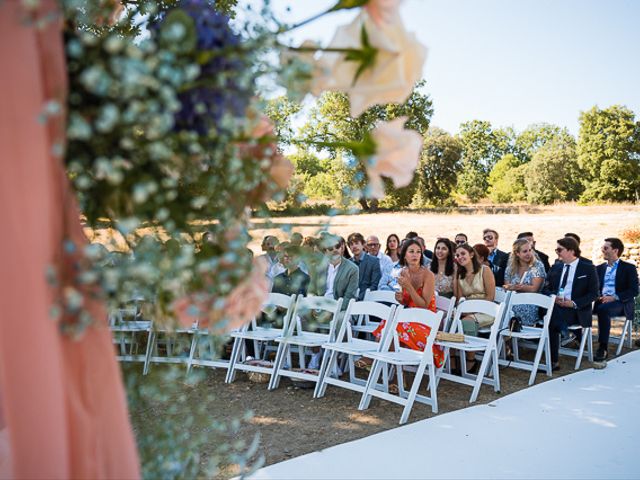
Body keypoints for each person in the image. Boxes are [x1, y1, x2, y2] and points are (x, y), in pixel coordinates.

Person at [371, 239, 444, 368]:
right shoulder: (404, 272)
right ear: (404, 255)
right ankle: (394, 372)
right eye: (411, 252)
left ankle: (377, 362)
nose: (415, 255)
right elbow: (406, 301)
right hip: (409, 318)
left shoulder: (428, 275)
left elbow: (424, 305)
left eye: (418, 252)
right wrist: (400, 298)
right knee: (387, 322)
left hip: (425, 321)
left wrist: (409, 287)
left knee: (396, 327)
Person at [543, 237, 599, 371]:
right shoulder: (556, 267)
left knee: (550, 320)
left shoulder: (588, 268)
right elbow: (546, 288)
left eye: (559, 249)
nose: (557, 252)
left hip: (576, 310)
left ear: (571, 251)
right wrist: (553, 297)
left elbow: (594, 294)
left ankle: (553, 360)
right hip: (556, 306)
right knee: (550, 316)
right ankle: (565, 332)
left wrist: (573, 303)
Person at [593, 238, 639, 361]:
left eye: (605, 248)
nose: (602, 250)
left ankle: (603, 347)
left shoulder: (629, 268)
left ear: (615, 250)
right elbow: (594, 287)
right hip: (600, 300)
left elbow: (634, 290)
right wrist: (597, 295)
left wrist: (614, 297)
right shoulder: (598, 268)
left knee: (603, 309)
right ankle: (576, 339)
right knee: (580, 305)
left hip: (620, 302)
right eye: (603, 247)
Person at [503, 238, 547, 326]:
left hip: (531, 302)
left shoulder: (537, 265)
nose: (528, 254)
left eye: (530, 250)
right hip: (513, 301)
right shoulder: (511, 267)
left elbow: (535, 288)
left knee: (514, 309)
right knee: (503, 308)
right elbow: (506, 286)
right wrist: (511, 287)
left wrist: (518, 287)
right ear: (517, 253)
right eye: (525, 251)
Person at [308, 235, 358, 310]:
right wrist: (314, 308)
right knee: (299, 316)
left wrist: (333, 310)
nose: (335, 250)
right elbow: (311, 291)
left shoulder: (352, 269)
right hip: (320, 307)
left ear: (341, 248)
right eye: (331, 248)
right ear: (325, 252)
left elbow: (349, 297)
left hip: (341, 309)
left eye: (337, 246)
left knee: (338, 320)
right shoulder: (319, 268)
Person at [347, 232, 381, 300]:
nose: (354, 246)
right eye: (351, 244)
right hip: (349, 300)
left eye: (357, 243)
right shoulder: (347, 263)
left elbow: (374, 285)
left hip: (367, 300)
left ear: (363, 245)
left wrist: (359, 298)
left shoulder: (374, 261)